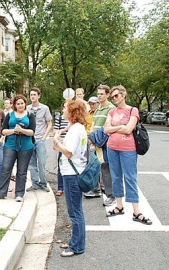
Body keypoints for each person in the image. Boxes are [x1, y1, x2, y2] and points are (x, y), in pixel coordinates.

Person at [104, 85, 152, 225]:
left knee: (130, 178)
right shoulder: (112, 111)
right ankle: (119, 206)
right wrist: (120, 127)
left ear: (123, 95)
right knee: (116, 176)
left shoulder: (133, 110)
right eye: (112, 96)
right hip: (112, 148)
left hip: (128, 149)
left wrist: (115, 128)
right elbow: (106, 129)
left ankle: (136, 212)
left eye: (116, 96)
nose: (114, 98)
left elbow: (129, 129)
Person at [52, 99, 88, 257]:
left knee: (75, 212)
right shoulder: (77, 127)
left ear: (72, 111)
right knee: (76, 210)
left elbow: (69, 153)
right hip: (74, 172)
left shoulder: (75, 130)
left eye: (65, 108)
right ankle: (75, 241)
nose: (63, 110)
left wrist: (57, 143)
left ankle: (77, 246)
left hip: (72, 174)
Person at [0, 94, 36, 202]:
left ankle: (19, 194)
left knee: (22, 171)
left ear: (25, 104)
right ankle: (1, 192)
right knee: (6, 168)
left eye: (22, 103)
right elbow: (3, 131)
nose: (20, 105)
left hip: (26, 146)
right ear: (14, 105)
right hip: (10, 145)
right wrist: (14, 131)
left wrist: (22, 131)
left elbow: (32, 132)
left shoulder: (30, 115)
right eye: (18, 104)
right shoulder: (10, 115)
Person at [85, 85, 115, 206]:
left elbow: (108, 127)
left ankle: (111, 195)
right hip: (95, 142)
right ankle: (95, 189)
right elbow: (93, 126)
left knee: (106, 168)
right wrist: (90, 138)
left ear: (108, 95)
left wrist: (96, 139)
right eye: (98, 94)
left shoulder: (111, 108)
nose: (99, 96)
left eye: (102, 94)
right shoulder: (97, 110)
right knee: (95, 166)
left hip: (105, 143)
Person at [26, 87, 52, 192]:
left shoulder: (45, 108)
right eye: (31, 95)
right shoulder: (27, 108)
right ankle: (35, 184)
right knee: (31, 163)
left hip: (40, 139)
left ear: (38, 95)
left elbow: (49, 123)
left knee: (42, 162)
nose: (32, 96)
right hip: (29, 139)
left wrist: (45, 136)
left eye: (34, 94)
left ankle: (43, 183)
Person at [53, 102, 70, 196]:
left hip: (71, 143)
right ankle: (60, 187)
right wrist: (56, 140)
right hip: (61, 142)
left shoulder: (73, 118)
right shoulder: (59, 118)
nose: (64, 109)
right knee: (61, 164)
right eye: (64, 106)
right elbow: (56, 129)